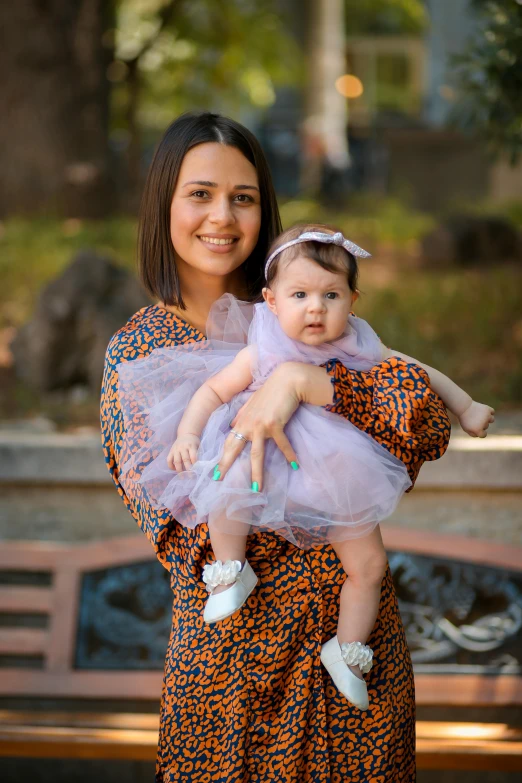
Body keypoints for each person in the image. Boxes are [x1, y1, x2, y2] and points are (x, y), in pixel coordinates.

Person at [101, 111, 451, 782]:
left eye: (244, 197)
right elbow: (187, 534)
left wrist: (304, 382)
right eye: (200, 193)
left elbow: (423, 426)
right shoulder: (142, 352)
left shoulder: (316, 319)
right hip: (235, 679)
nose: (222, 216)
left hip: (355, 672)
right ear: (164, 205)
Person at [117, 223, 493, 711]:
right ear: (272, 302)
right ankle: (231, 569)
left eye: (331, 294)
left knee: (370, 565)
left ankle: (347, 650)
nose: (316, 307)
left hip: (335, 476)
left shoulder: (359, 346)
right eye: (300, 294)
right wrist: (188, 434)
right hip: (261, 461)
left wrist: (465, 407)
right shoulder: (263, 349)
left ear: (353, 301)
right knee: (223, 482)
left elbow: (417, 374)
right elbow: (212, 392)